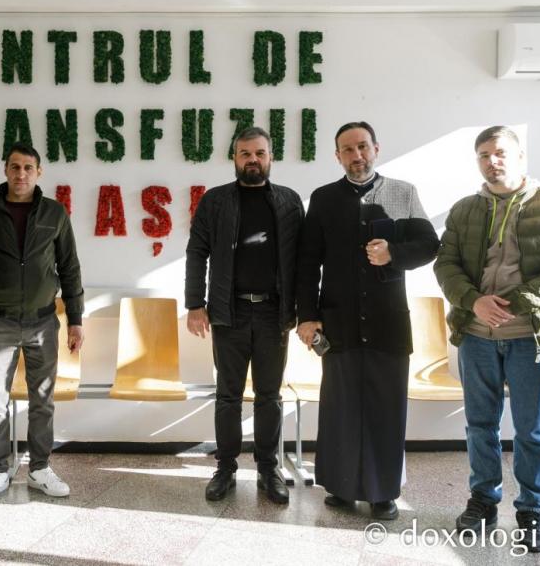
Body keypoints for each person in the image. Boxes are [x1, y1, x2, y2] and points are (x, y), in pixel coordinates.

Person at [434, 126, 540, 553]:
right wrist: (474, 302)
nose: (492, 161)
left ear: (520, 157)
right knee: (480, 425)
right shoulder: (464, 209)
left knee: (531, 430)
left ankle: (532, 511)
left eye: (500, 153)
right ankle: (483, 501)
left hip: (533, 338)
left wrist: (513, 304)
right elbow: (446, 264)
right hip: (476, 336)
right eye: (483, 155)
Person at [296, 121, 438, 520]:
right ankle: (340, 488)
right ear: (337, 156)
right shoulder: (323, 198)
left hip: (387, 324)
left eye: (362, 146)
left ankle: (382, 493)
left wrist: (394, 253)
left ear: (376, 148)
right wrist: (307, 317)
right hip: (337, 322)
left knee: (385, 409)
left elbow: (430, 245)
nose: (356, 155)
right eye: (347, 149)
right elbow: (307, 263)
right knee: (340, 408)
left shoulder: (403, 193)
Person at [0, 142, 84, 503]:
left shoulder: (54, 213)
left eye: (28, 168)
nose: (21, 174)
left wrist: (76, 319)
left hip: (44, 321)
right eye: (15, 167)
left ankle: (40, 469)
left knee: (42, 399)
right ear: (5, 170)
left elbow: (69, 267)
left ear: (39, 172)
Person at [185, 126, 304, 505]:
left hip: (273, 313)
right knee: (228, 396)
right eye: (245, 153)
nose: (253, 160)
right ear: (234, 158)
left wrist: (305, 311)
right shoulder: (215, 201)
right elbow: (196, 252)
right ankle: (225, 468)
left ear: (270, 157)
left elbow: (303, 261)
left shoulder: (289, 201)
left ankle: (269, 469)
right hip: (229, 311)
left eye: (259, 153)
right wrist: (194, 304)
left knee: (269, 396)